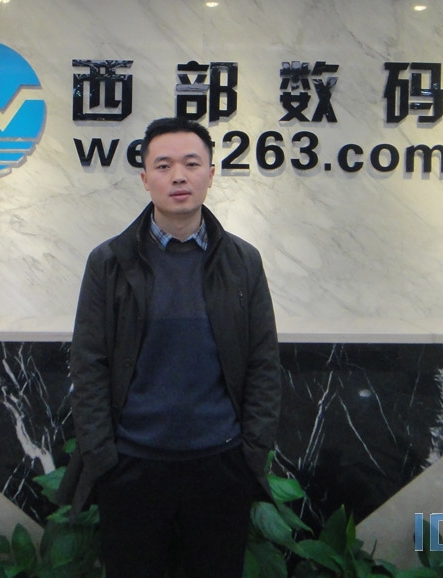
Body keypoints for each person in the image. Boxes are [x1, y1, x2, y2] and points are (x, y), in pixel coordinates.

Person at [57, 117, 281, 578]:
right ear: (145, 178)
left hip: (221, 466)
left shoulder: (243, 261)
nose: (178, 176)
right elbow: (88, 364)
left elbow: (263, 362)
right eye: (163, 165)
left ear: (211, 174)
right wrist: (104, 459)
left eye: (191, 163)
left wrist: (251, 454)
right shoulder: (109, 262)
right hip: (132, 467)